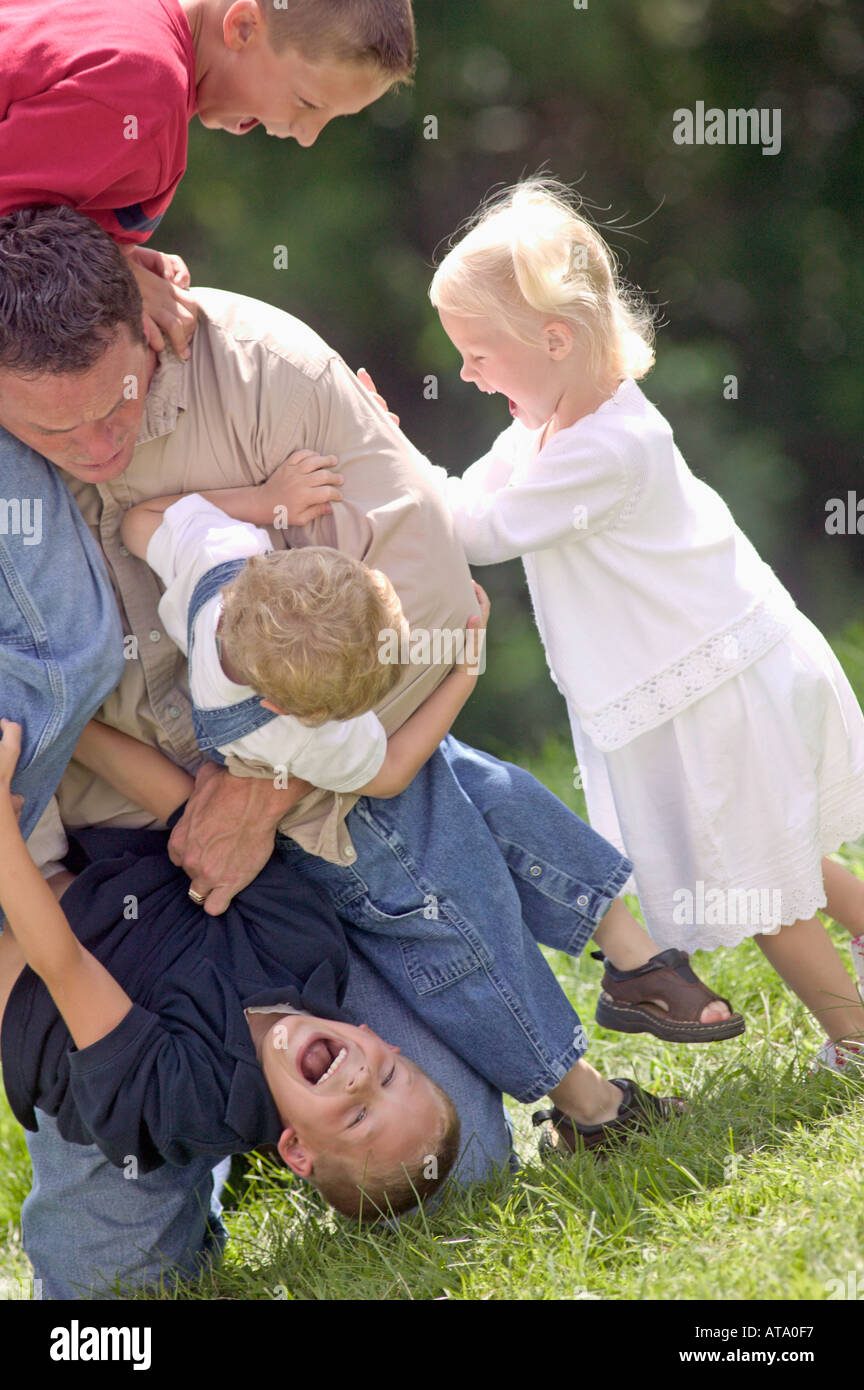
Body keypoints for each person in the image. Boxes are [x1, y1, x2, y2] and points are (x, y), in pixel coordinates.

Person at [0, 206, 736, 1298]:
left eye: (117, 402)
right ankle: (241, 1140)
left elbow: (433, 604)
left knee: (462, 1156)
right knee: (108, 1293)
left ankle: (601, 996)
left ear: (145, 318)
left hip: (287, 836)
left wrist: (263, 789)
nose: (101, 448)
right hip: (122, 873)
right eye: (59, 438)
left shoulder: (265, 371)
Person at [421, 176, 864, 1074]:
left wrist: (380, 452)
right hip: (701, 679)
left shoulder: (611, 446)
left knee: (761, 883)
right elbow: (469, 495)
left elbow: (476, 530)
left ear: (554, 339)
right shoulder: (548, 425)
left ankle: (855, 1035)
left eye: (477, 352)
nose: (466, 372)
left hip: (714, 687)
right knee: (778, 850)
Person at [0, 717, 459, 1221]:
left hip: (25, 936)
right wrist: (70, 722)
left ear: (297, 1151)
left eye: (358, 1117)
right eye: (389, 1076)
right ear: (381, 1040)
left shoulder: (195, 1105)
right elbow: (191, 816)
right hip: (75, 863)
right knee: (48, 686)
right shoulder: (308, 946)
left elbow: (63, 964)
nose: (361, 1079)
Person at [0, 0, 415, 357]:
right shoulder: (144, 86)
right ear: (244, 26)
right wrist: (107, 284)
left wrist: (108, 253)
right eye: (306, 103)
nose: (306, 136)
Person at [120, 487, 485, 796]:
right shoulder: (294, 738)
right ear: (291, 711)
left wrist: (266, 500)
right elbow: (390, 775)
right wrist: (465, 676)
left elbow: (136, 523)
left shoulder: (220, 553)